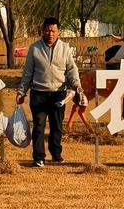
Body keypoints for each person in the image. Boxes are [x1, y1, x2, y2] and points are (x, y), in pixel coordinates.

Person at [15, 17, 81, 168]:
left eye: (53, 30)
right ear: (43, 31)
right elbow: (28, 72)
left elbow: (71, 69)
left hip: (59, 93)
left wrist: (76, 84)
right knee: (38, 126)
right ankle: (38, 157)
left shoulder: (65, 48)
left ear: (59, 32)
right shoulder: (34, 48)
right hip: (38, 93)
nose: (50, 33)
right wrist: (22, 91)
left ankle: (56, 155)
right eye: (47, 30)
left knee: (56, 126)